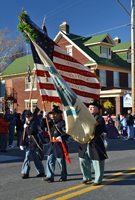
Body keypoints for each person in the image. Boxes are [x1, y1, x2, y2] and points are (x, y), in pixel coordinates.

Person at [79, 99, 108, 186]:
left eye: (93, 107)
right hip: (85, 142)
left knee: (97, 161)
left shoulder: (99, 118)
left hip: (95, 142)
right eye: (89, 107)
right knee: (83, 160)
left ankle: (98, 179)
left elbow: (99, 130)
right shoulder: (86, 117)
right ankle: (86, 177)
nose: (90, 109)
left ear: (97, 109)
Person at [42, 105, 69, 183]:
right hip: (51, 144)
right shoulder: (50, 122)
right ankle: (50, 176)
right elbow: (42, 126)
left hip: (59, 145)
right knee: (50, 160)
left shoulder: (63, 123)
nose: (52, 116)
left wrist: (62, 137)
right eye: (51, 114)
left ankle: (63, 176)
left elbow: (67, 133)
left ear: (59, 114)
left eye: (54, 114)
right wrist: (44, 118)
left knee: (61, 161)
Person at [20, 110, 45, 179]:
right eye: (26, 117)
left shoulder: (33, 123)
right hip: (29, 143)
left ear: (31, 117)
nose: (27, 118)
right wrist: (21, 144)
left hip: (34, 143)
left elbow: (31, 132)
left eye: (29, 117)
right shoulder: (26, 124)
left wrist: (26, 127)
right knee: (27, 158)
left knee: (36, 158)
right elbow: (24, 134)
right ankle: (25, 173)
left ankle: (41, 171)